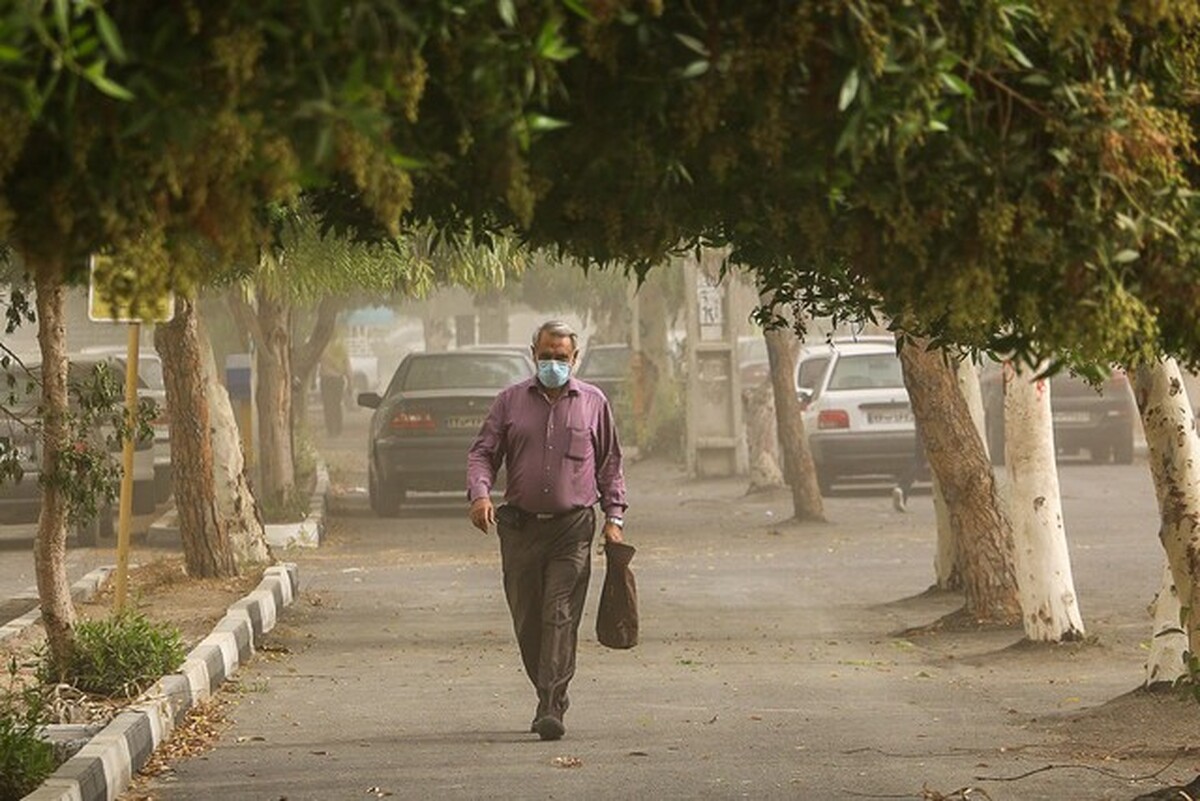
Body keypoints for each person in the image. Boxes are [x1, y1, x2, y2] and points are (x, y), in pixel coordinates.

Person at [467, 320, 628, 742]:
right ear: (533, 354)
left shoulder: (593, 402)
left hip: (572, 529)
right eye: (546, 356)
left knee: (559, 614)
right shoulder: (509, 402)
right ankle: (548, 688)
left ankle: (551, 704)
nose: (554, 363)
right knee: (528, 620)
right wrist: (480, 494)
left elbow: (610, 463)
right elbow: (483, 453)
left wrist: (614, 518)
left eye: (562, 357)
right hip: (519, 529)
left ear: (575, 359)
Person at [319, 335, 351, 436]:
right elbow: (347, 366)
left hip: (327, 379)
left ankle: (331, 430)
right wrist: (350, 382)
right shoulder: (341, 348)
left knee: (328, 405)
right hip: (337, 380)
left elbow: (316, 363)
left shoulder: (323, 347)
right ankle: (337, 430)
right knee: (336, 405)